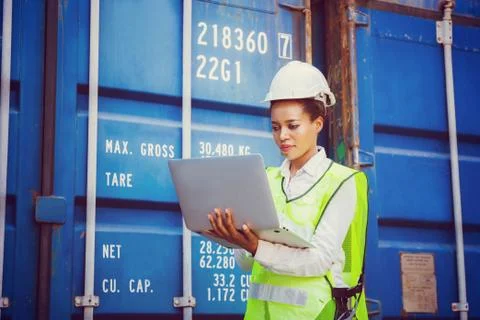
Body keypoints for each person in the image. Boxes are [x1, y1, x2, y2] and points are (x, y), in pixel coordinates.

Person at [206, 61, 368, 320]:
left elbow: (319, 260)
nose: (282, 135)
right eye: (275, 127)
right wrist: (238, 240)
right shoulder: (265, 179)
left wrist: (258, 246)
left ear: (318, 123)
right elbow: (247, 265)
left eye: (292, 126)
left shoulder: (342, 182)